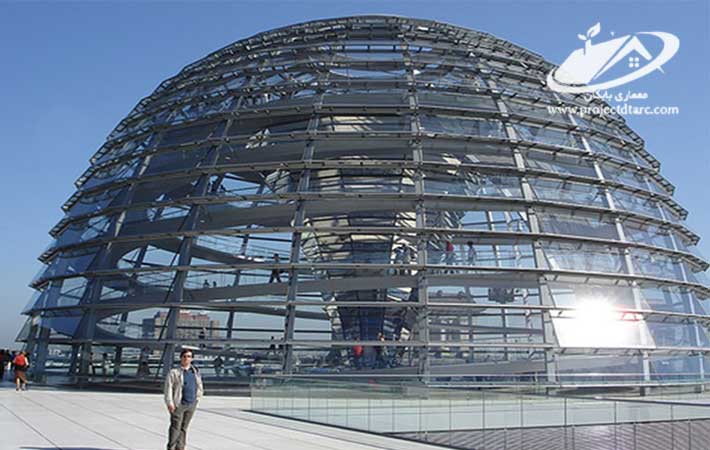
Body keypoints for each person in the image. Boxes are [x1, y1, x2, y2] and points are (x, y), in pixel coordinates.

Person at [164, 349, 203, 450]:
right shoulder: (174, 372)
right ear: (181, 358)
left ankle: (180, 447)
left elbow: (199, 385)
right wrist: (170, 403)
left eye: (189, 356)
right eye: (184, 356)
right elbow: (168, 388)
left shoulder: (195, 371)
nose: (186, 358)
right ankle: (171, 447)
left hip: (191, 404)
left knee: (184, 428)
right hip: (179, 404)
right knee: (175, 427)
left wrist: (197, 398)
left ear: (192, 359)